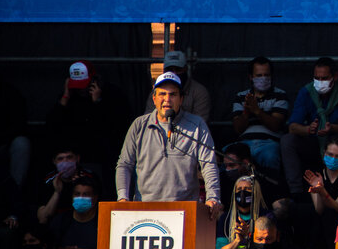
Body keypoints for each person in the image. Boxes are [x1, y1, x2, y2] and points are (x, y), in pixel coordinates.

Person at [116, 71, 222, 220]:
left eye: (173, 95)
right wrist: (123, 198)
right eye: (162, 94)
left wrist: (213, 197)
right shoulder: (139, 125)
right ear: (154, 98)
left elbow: (209, 164)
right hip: (145, 210)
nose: (167, 99)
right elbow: (124, 165)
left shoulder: (197, 125)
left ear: (181, 99)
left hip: (184, 211)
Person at [281, 57, 338, 195]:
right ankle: (296, 192)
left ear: (335, 76)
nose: (320, 82)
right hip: (314, 142)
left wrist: (334, 128)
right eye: (317, 78)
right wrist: (308, 129)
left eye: (324, 78)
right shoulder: (307, 91)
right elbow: (293, 126)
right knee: (287, 140)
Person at [46, 60, 130, 177]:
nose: (81, 90)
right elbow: (52, 126)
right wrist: (65, 98)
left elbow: (114, 127)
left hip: (103, 152)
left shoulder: (112, 94)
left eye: (83, 85)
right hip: (76, 150)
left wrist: (98, 103)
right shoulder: (70, 97)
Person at [229, 56, 288, 173]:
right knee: (229, 157)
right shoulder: (241, 96)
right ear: (251, 77)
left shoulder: (280, 95)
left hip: (269, 143)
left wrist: (257, 111)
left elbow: (276, 125)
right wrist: (246, 112)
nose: (263, 78)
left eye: (266, 75)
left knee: (270, 156)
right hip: (244, 143)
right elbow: (238, 128)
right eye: (259, 75)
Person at [0, 57, 31, 190]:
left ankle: (15, 192)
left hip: (3, 144)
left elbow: (19, 125)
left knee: (22, 144)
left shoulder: (10, 94)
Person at [37, 144, 100, 224]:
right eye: (60, 159)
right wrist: (57, 192)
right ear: (54, 161)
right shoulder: (48, 181)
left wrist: (79, 185)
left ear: (77, 158)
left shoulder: (90, 177)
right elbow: (43, 219)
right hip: (57, 225)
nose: (65, 162)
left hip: (84, 223)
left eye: (69, 157)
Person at [143, 50, 212, 122]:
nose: (174, 73)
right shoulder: (157, 91)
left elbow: (199, 123)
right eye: (170, 70)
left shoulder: (199, 92)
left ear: (185, 69)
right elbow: (148, 120)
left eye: (178, 69)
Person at [217, 175, 268, 249]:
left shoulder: (267, 217)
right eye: (239, 189)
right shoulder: (226, 218)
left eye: (247, 189)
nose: (242, 192)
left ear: (255, 193)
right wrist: (238, 240)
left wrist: (248, 237)